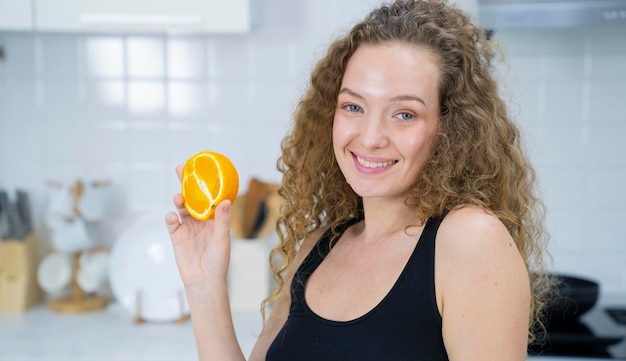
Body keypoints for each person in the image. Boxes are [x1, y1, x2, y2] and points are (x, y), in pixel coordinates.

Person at [165, 0, 551, 360]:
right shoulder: (317, 249)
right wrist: (203, 285)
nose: (369, 137)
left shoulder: (469, 241)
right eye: (353, 106)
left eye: (404, 114)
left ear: (450, 127)